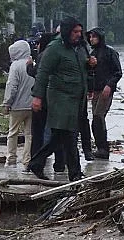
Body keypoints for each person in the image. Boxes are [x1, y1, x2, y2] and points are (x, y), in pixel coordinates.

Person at [27, 17, 90, 182]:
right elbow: (42, 73)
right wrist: (38, 97)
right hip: (60, 98)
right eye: (75, 32)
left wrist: (91, 64)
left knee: (61, 136)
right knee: (69, 135)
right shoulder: (55, 48)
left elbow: (82, 69)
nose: (78, 35)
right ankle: (75, 174)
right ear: (67, 32)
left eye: (80, 31)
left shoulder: (81, 47)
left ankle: (36, 163)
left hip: (76, 99)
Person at [26, 33, 66, 173]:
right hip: (57, 100)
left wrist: (29, 66)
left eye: (38, 43)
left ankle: (36, 163)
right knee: (58, 132)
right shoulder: (62, 55)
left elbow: (38, 74)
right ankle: (60, 163)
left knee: (39, 134)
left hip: (44, 100)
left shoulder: (45, 56)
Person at [86, 27, 123, 160]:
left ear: (100, 38)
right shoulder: (92, 53)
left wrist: (109, 85)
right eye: (90, 37)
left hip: (105, 90)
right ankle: (100, 148)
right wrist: (90, 89)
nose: (92, 39)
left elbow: (118, 72)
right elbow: (90, 74)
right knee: (96, 119)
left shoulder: (110, 52)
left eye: (94, 37)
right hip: (96, 90)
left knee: (98, 117)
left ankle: (103, 149)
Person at [3, 40, 34, 167]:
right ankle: (27, 160)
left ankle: (11, 159)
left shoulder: (15, 66)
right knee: (29, 135)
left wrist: (7, 103)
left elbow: (12, 86)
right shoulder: (33, 64)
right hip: (32, 105)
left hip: (17, 106)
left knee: (13, 132)